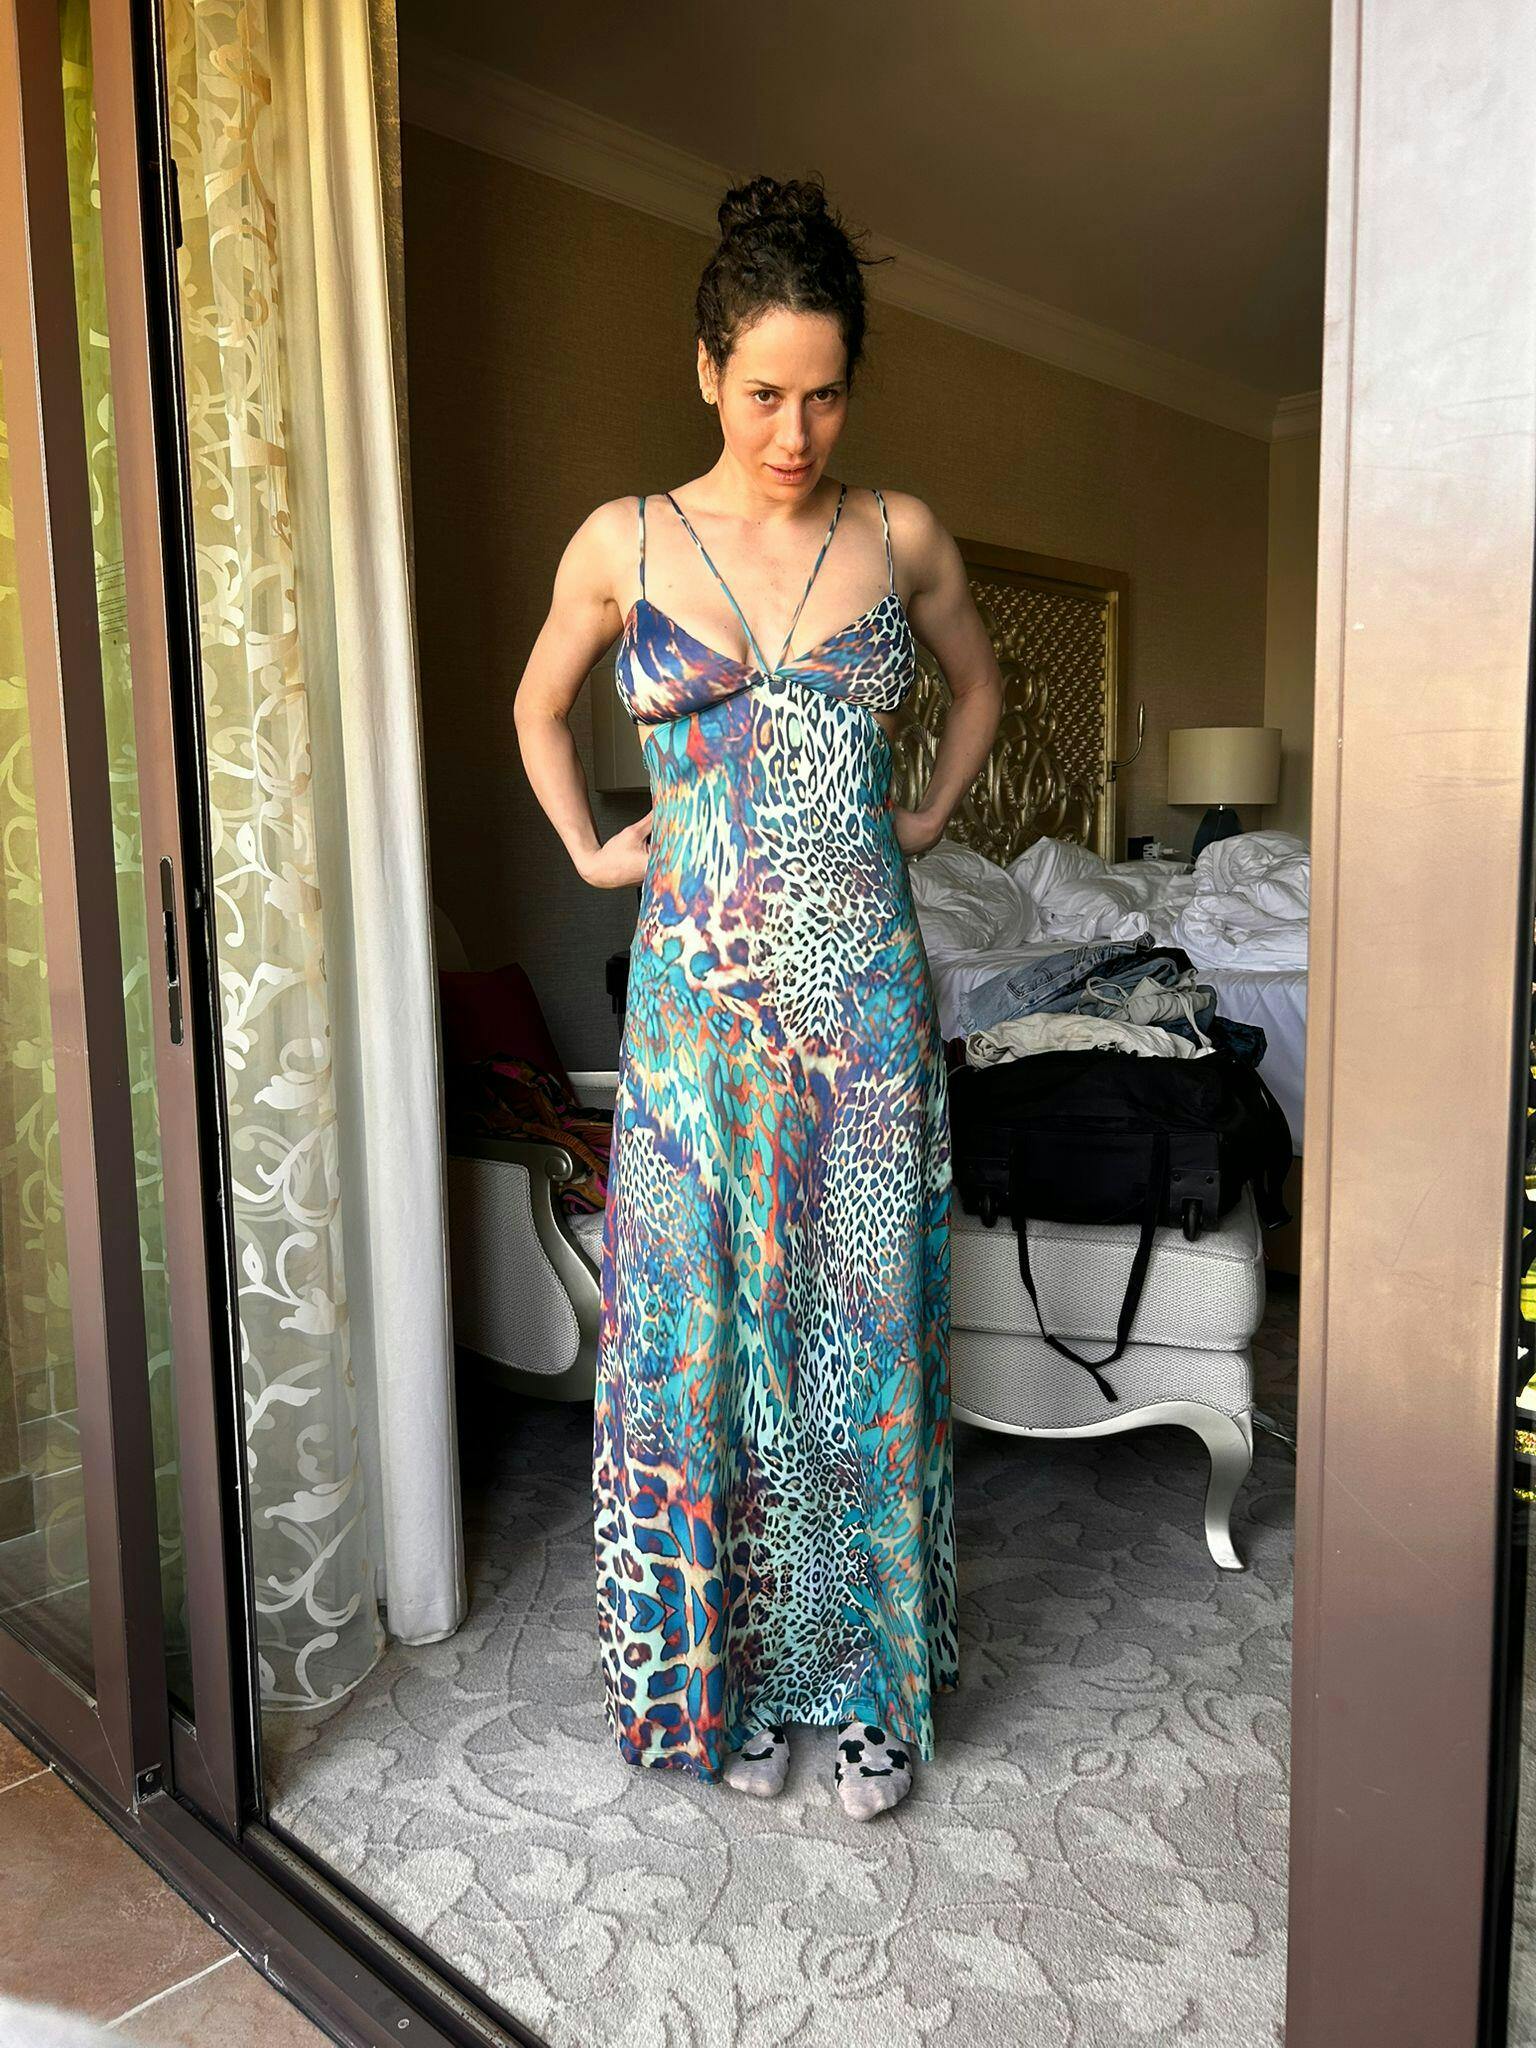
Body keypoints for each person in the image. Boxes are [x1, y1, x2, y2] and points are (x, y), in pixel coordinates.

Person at [514, 172, 1003, 1819]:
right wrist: (591, 850)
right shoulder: (625, 540)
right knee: (695, 1346)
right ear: (707, 369)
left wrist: (924, 818)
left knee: (858, 1345)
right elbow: (534, 707)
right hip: (694, 1024)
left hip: (860, 1012)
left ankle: (869, 1692)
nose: (796, 432)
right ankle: (714, 1681)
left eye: (828, 394)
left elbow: (978, 686)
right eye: (765, 393)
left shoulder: (898, 534)